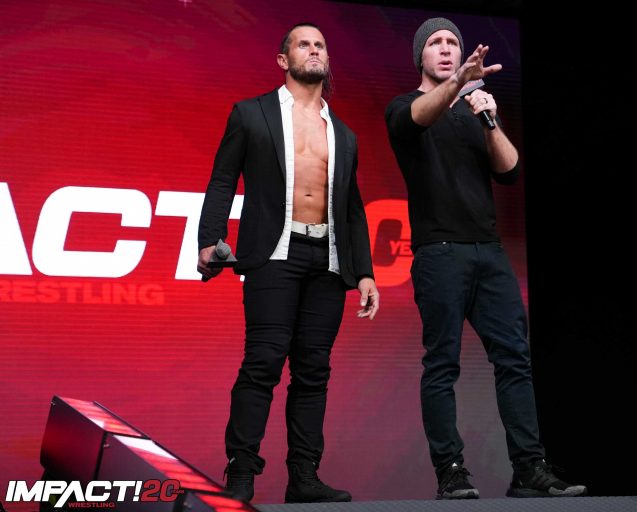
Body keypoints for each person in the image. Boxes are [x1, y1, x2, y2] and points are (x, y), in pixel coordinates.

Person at [385, 18, 586, 499]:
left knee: (514, 358)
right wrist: (459, 83)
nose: (446, 49)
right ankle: (451, 470)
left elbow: (510, 171)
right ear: (420, 56)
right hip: (440, 253)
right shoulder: (405, 107)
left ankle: (529, 467)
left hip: (489, 252)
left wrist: (489, 119)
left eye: (452, 42)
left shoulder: (476, 111)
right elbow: (420, 117)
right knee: (442, 364)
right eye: (435, 43)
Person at [197, 22, 379, 504]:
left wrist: (364, 272)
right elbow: (222, 179)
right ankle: (241, 473)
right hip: (274, 254)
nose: (314, 50)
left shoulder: (343, 133)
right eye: (304, 44)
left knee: (314, 371)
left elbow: (352, 207)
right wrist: (209, 239)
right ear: (284, 59)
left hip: (328, 259)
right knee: (263, 363)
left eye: (320, 45)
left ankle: (304, 477)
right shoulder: (251, 113)